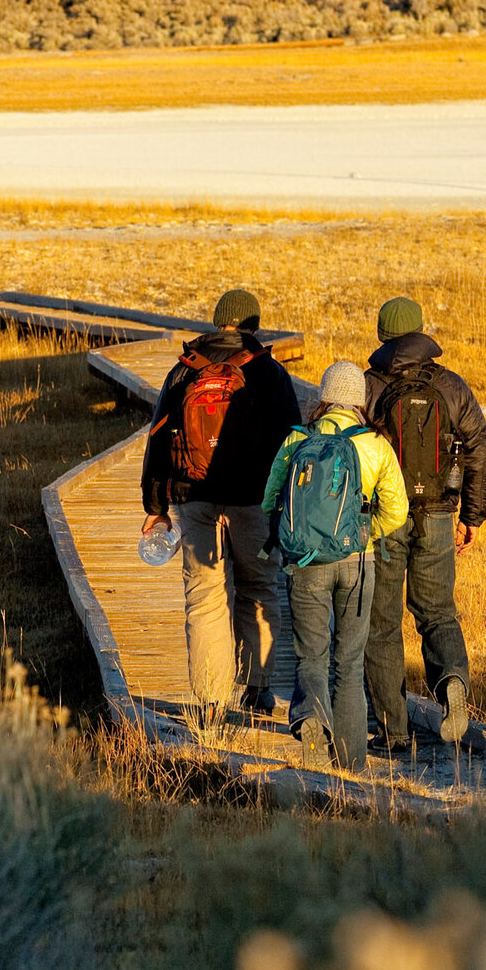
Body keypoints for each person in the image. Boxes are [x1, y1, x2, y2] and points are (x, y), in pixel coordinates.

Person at [140, 288, 301, 724]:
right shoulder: (268, 372)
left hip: (195, 498)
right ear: (253, 324)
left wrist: (155, 506)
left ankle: (211, 701)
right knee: (260, 589)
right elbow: (293, 440)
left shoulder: (185, 369)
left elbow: (157, 439)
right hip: (254, 500)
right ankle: (257, 688)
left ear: (217, 321)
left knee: (205, 597)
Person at [259, 361, 408, 767]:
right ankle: (352, 762)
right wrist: (364, 533)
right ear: (359, 400)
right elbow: (398, 510)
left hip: (306, 561)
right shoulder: (375, 445)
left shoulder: (298, 439)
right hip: (357, 562)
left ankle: (310, 719)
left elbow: (270, 497)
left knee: (312, 657)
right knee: (350, 661)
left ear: (323, 396)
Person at [362, 295, 486, 751]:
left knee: (381, 625)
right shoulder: (453, 387)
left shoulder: (370, 387)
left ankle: (393, 732)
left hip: (383, 519)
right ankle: (451, 684)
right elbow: (477, 447)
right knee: (437, 613)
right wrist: (472, 515)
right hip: (439, 515)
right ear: (421, 331)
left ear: (382, 335)